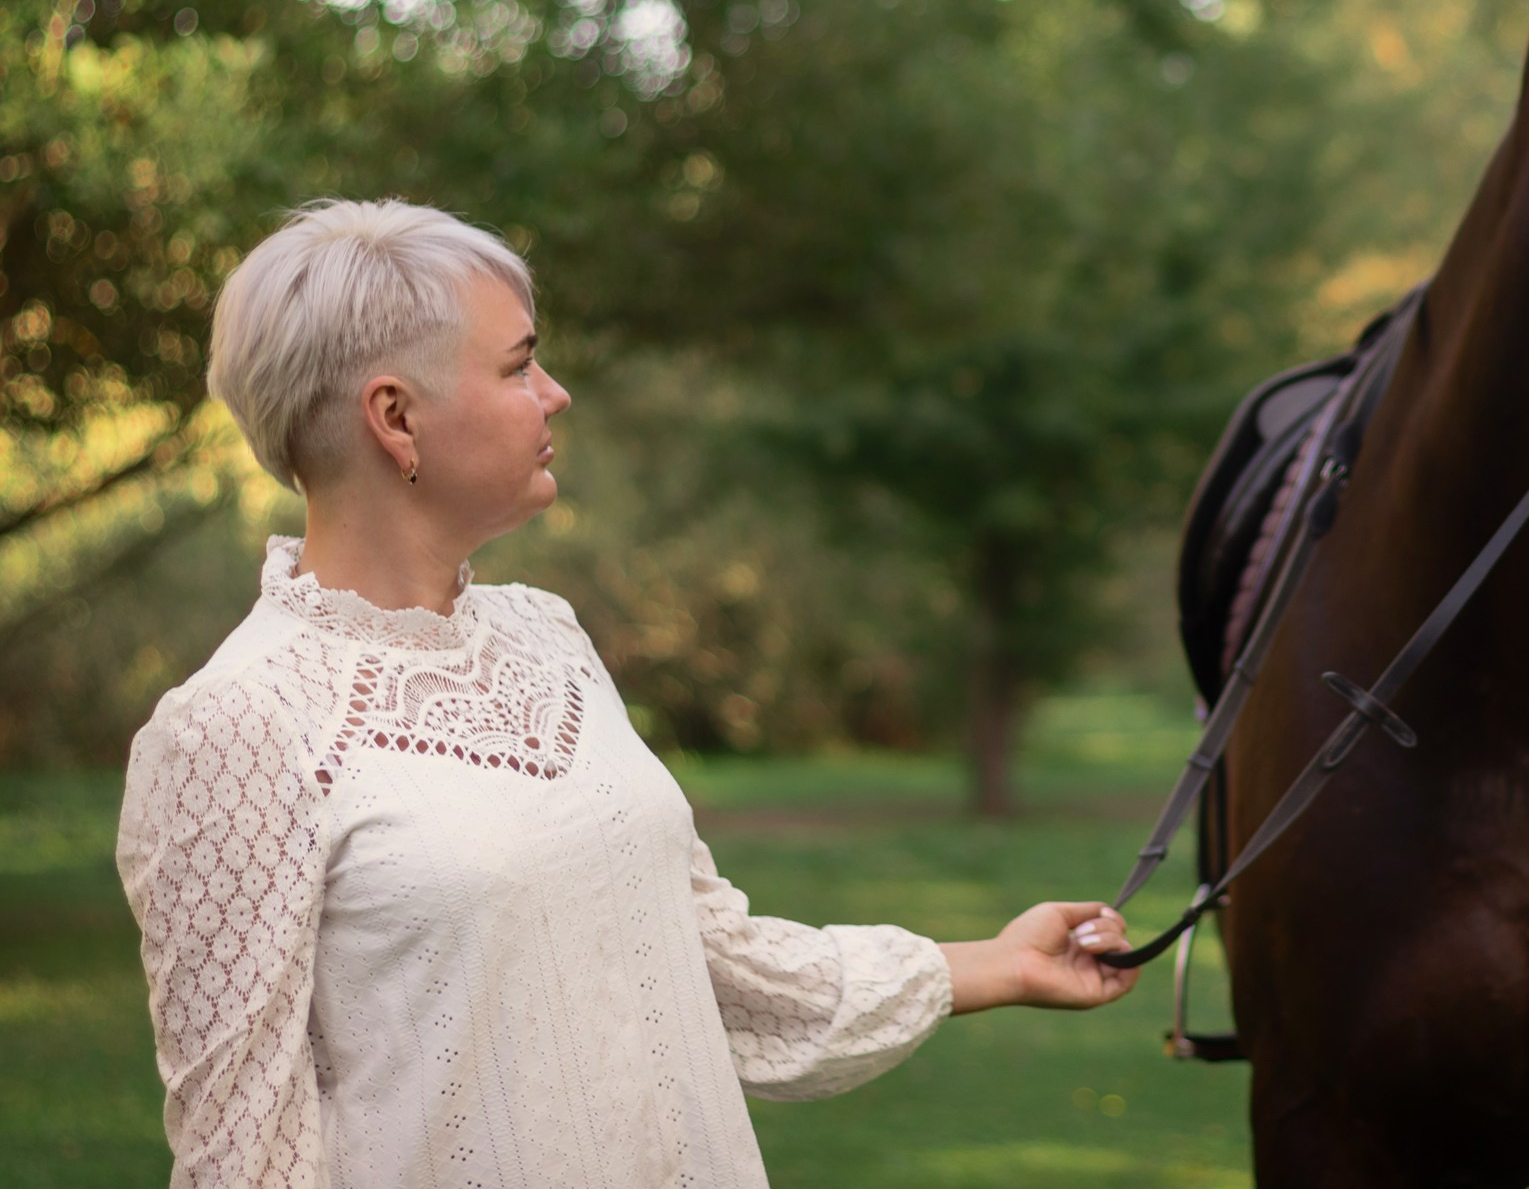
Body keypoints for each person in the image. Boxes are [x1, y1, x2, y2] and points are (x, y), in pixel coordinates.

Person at [116, 199, 1139, 1188]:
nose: (555, 393)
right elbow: (242, 1157)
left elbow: (710, 963)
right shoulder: (236, 728)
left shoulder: (547, 636)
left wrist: (995, 964)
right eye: (519, 364)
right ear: (395, 415)